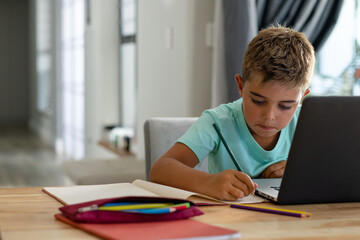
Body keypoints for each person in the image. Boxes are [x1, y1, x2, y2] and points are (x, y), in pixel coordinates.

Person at [149, 25, 315, 201]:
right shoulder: (217, 122)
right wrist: (207, 182)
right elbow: (160, 170)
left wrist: (299, 172)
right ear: (240, 86)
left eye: (286, 106)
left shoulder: (308, 122)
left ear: (302, 97)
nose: (269, 116)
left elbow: (337, 170)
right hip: (231, 220)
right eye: (258, 101)